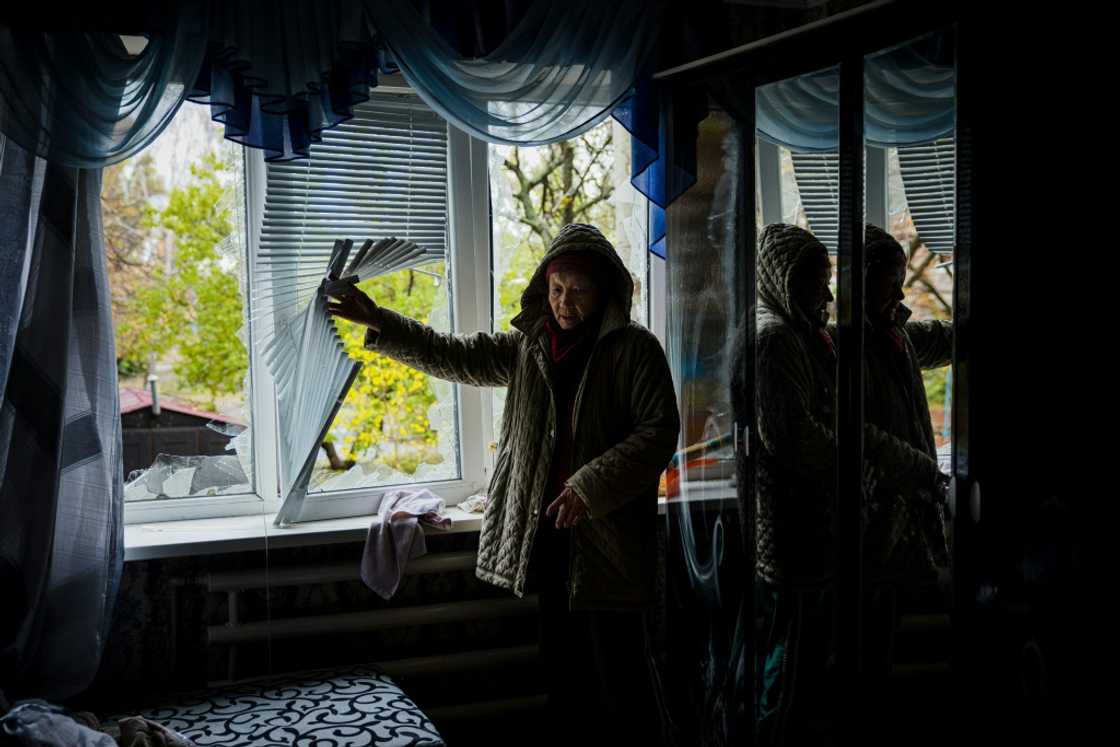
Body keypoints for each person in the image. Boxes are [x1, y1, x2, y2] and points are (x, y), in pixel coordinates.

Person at [326, 223, 680, 745]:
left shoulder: (635, 350)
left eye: (578, 291)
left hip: (611, 543)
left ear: (604, 290)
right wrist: (379, 320)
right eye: (556, 289)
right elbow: (454, 353)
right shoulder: (528, 346)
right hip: (549, 539)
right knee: (564, 675)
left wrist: (588, 486)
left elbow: (658, 432)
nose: (564, 303)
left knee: (621, 678)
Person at [736, 223, 950, 745]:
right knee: (802, 669)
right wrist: (896, 467)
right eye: (816, 284)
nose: (827, 296)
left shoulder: (832, 334)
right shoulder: (797, 341)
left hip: (849, 523)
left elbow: (924, 341)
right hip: (830, 529)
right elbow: (806, 436)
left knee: (822, 662)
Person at [860, 224, 952, 704]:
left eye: (901, 280)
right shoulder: (844, 347)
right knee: (878, 634)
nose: (899, 293)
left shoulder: (898, 336)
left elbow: (942, 338)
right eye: (891, 282)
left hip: (913, 508)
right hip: (878, 516)